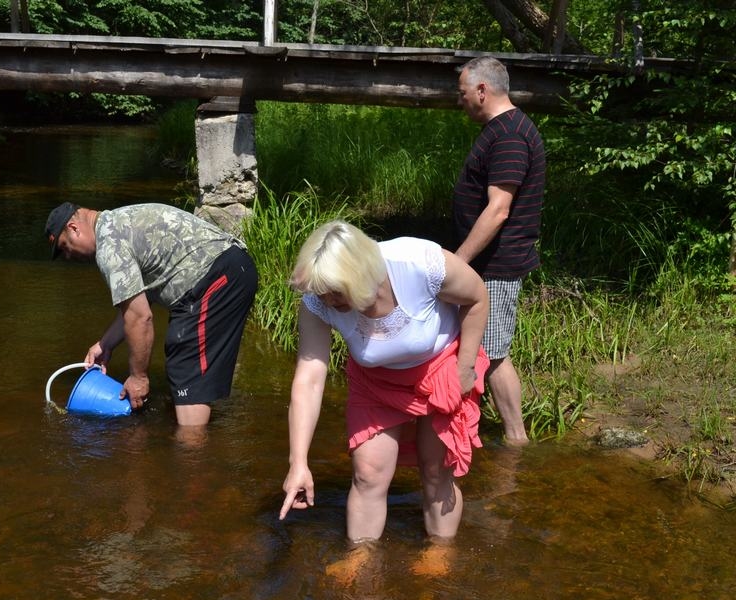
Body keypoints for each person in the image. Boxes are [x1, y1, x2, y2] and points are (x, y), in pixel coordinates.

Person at [278, 220, 490, 562]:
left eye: (336, 292)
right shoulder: (318, 301)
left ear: (360, 275)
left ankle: (439, 552)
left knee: (435, 469)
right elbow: (309, 379)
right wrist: (298, 462)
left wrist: (464, 367)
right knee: (367, 474)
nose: (328, 300)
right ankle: (361, 556)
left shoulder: (418, 263)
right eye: (321, 292)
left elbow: (477, 296)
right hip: (375, 382)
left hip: (440, 368)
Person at [44, 201, 258, 427]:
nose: (68, 256)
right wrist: (105, 344)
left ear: (74, 228)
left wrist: (138, 377)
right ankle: (192, 431)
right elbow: (136, 305)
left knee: (184, 363)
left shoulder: (110, 247)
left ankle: (192, 445)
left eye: (65, 247)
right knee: (185, 365)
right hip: (231, 269)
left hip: (217, 278)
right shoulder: (116, 222)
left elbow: (140, 317)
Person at [451, 55, 546, 446]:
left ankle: (515, 438)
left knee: (490, 353)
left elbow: (498, 210)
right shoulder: (503, 129)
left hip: (496, 265)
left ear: (482, 90)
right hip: (487, 264)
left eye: (462, 93)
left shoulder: (509, 135)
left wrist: (457, 261)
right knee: (485, 350)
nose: (459, 100)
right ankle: (481, 429)